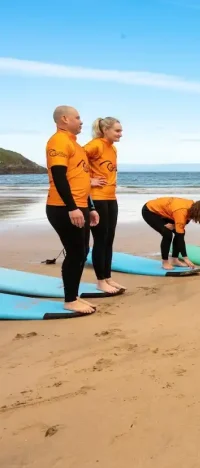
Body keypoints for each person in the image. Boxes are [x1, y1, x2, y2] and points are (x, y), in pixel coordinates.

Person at [46, 105, 100, 315]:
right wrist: (72, 207)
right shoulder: (58, 141)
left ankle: (74, 295)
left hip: (80, 206)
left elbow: (80, 179)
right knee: (75, 252)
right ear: (65, 119)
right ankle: (69, 300)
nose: (81, 121)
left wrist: (90, 207)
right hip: (63, 207)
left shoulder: (75, 145)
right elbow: (59, 176)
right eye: (78, 117)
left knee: (82, 251)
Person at [84, 116, 124, 295]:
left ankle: (107, 277)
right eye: (117, 130)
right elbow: (73, 163)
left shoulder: (112, 148)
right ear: (105, 130)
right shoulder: (95, 145)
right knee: (100, 240)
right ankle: (100, 281)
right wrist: (88, 180)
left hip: (110, 197)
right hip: (96, 198)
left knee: (109, 239)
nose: (120, 134)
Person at [142, 197, 200, 270]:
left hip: (166, 212)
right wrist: (185, 258)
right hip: (150, 211)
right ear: (199, 213)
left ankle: (174, 260)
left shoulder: (192, 208)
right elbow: (180, 237)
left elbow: (184, 222)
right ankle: (165, 262)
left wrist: (175, 225)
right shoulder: (181, 211)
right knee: (167, 233)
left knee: (180, 231)